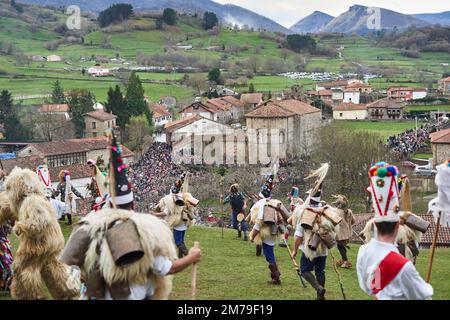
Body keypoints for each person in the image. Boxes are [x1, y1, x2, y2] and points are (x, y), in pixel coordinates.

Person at [357, 162, 433, 300]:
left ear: (375, 223)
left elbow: (369, 288)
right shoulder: (404, 267)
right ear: (398, 224)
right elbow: (422, 295)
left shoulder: (363, 251)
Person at [292, 185, 328, 300]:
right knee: (320, 271)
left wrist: (295, 250)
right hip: (323, 248)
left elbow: (298, 235)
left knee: (305, 270)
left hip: (309, 249)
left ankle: (319, 288)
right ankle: (320, 297)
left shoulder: (305, 213)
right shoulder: (326, 212)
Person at [333, 195, 355, 269]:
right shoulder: (349, 211)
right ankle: (343, 260)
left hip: (340, 234)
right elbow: (353, 221)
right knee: (341, 247)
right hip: (347, 233)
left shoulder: (336, 211)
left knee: (341, 247)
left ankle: (345, 262)